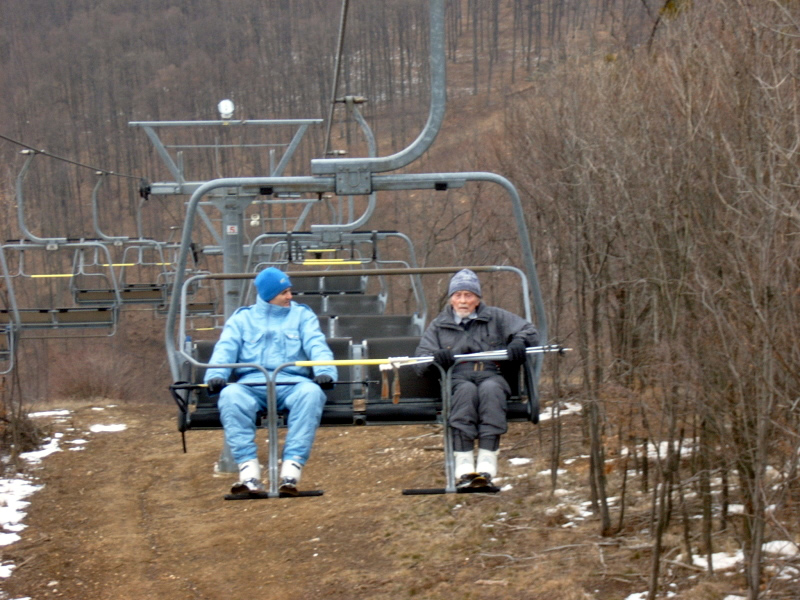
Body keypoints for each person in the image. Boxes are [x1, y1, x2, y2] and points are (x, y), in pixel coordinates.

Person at [204, 267, 337, 496]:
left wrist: (324, 372)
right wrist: (216, 375)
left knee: (311, 394)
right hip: (252, 384)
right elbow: (226, 348)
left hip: (292, 382)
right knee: (231, 396)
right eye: (284, 292)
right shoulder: (243, 319)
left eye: (290, 291)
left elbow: (317, 345)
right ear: (268, 295)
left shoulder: (302, 316)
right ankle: (248, 472)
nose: (290, 297)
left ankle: (291, 469)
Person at [415, 269, 539, 488]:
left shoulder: (497, 317)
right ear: (451, 298)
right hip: (458, 378)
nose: (463, 301)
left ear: (478, 298)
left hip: (492, 373)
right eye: (458, 295)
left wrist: (519, 343)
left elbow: (529, 331)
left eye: (469, 295)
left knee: (491, 391)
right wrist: (437, 359)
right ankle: (463, 465)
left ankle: (486, 463)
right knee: (465, 393)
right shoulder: (439, 325)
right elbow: (420, 361)